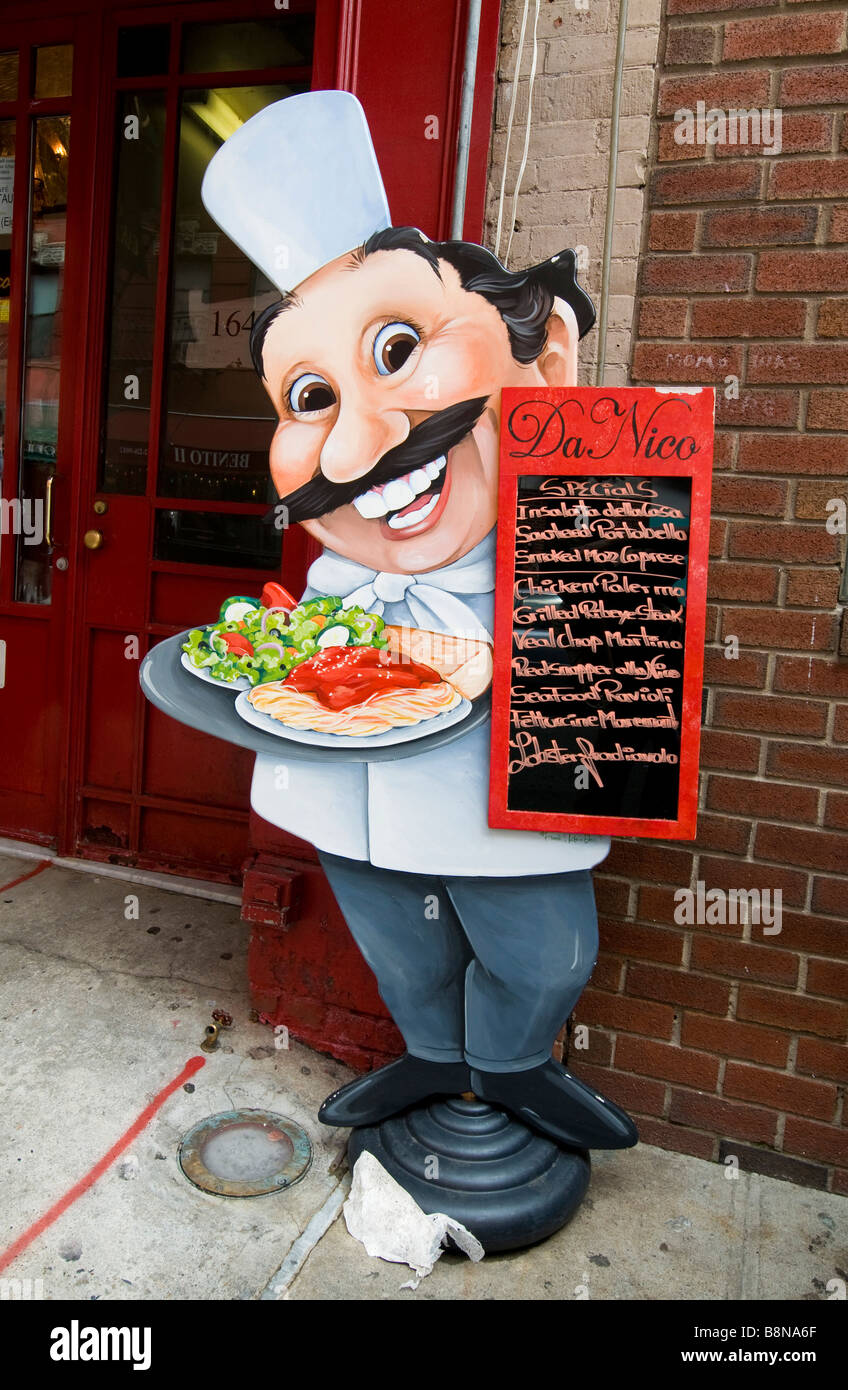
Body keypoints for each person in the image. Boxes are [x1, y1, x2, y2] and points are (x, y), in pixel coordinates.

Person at [202, 90, 637, 1150]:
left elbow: (621, 670)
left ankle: (513, 1068)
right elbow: (272, 662)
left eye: (396, 346)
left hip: (508, 773)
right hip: (351, 776)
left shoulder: (584, 548)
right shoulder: (325, 598)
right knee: (398, 937)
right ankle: (431, 1062)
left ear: (547, 357)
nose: (352, 449)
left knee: (544, 954)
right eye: (308, 397)